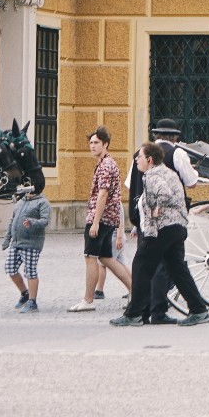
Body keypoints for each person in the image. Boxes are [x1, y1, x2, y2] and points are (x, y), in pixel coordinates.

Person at [114, 144, 209, 327]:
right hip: (177, 227)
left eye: (139, 157)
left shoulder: (152, 175)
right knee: (177, 269)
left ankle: (134, 313)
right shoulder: (168, 172)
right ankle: (198, 309)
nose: (136, 160)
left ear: (149, 160)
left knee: (141, 264)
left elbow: (164, 194)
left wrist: (155, 210)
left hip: (163, 228)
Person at [126, 119, 200, 311]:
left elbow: (130, 184)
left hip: (150, 220)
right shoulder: (177, 154)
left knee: (145, 263)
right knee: (167, 266)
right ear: (175, 136)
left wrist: (149, 211)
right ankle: (159, 309)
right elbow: (191, 181)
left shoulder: (141, 156)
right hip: (169, 222)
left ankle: (140, 311)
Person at [70, 128, 132, 312]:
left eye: (96, 142)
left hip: (101, 217)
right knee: (107, 258)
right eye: (91, 143)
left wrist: (95, 222)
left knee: (90, 257)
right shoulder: (108, 163)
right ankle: (136, 291)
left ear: (105, 144)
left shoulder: (105, 165)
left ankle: (88, 300)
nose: (92, 146)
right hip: (110, 218)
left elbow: (103, 194)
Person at [2, 185, 53, 313]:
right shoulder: (21, 201)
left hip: (31, 243)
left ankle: (32, 302)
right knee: (10, 268)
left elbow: (45, 221)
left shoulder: (43, 202)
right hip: (16, 242)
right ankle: (25, 294)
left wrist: (31, 222)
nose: (26, 189)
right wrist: (7, 239)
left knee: (30, 271)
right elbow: (12, 221)